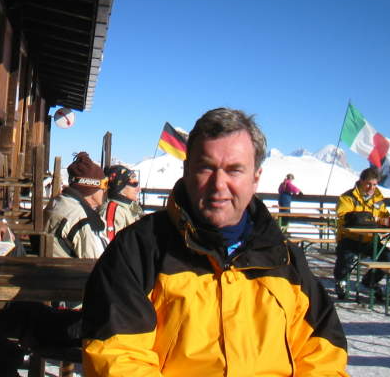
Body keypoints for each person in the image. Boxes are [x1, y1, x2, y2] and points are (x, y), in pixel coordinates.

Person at [82, 107, 348, 376]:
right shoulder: (139, 250)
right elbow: (116, 357)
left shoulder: (286, 260)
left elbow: (323, 356)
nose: (219, 184)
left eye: (235, 170)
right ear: (187, 170)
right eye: (206, 168)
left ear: (255, 178)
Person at [333, 167, 390, 300]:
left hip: (370, 240)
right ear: (361, 181)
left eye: (374, 184)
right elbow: (343, 215)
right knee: (345, 258)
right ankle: (341, 281)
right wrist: (367, 218)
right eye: (368, 184)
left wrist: (388, 221)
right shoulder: (348, 197)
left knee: (388, 259)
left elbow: (384, 216)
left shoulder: (378, 199)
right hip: (350, 238)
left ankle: (369, 281)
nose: (371, 187)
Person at [45, 151, 108, 258]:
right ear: (91, 185)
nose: (106, 189)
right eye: (104, 184)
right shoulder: (83, 219)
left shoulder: (59, 202)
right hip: (71, 268)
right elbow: (99, 261)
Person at [100, 164, 143, 241]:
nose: (139, 189)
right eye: (134, 184)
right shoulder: (114, 211)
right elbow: (110, 245)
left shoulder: (129, 208)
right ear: (120, 187)